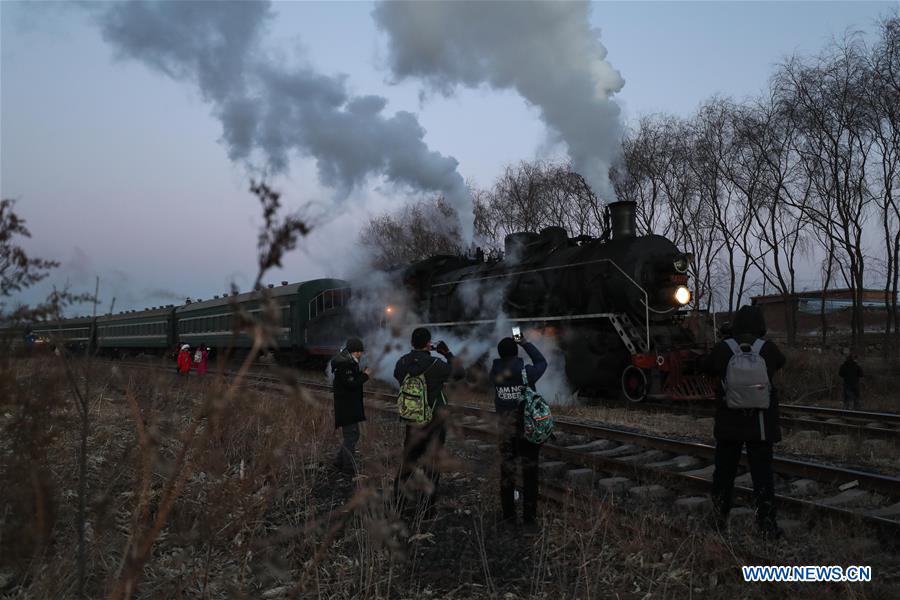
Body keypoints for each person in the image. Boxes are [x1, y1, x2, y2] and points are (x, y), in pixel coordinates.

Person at [702, 305, 786, 539]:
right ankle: (767, 525)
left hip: (729, 425)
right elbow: (781, 362)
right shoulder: (768, 349)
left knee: (724, 475)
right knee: (763, 476)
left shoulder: (723, 348)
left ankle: (719, 520)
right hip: (760, 426)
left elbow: (706, 367)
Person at [393, 327, 454, 517]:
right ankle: (427, 509)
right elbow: (459, 373)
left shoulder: (402, 362)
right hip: (434, 421)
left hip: (413, 421)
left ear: (412, 343)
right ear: (429, 343)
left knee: (409, 461)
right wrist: (447, 353)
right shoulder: (436, 364)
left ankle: (398, 503)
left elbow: (398, 377)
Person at [490, 333, 547, 528]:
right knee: (530, 474)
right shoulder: (526, 373)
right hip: (527, 429)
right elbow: (542, 361)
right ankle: (529, 521)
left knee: (507, 472)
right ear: (516, 353)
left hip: (505, 430)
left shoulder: (494, 373)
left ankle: (508, 517)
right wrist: (525, 343)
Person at [331, 337, 371, 474]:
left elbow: (352, 379)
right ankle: (348, 468)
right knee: (351, 436)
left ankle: (339, 461)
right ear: (352, 351)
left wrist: (361, 374)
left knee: (353, 435)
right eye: (358, 352)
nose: (360, 354)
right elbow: (351, 383)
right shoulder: (345, 365)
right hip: (346, 407)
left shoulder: (348, 363)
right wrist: (365, 376)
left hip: (349, 406)